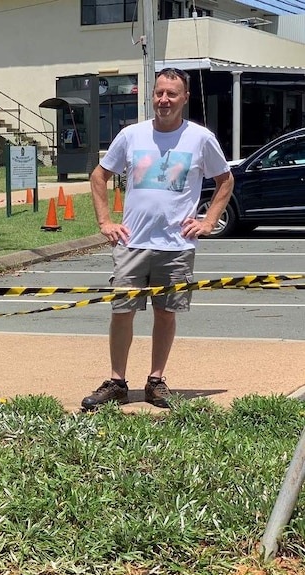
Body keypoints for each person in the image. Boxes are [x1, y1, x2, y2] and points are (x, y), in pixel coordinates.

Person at [80, 67, 234, 411]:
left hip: (176, 246)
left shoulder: (200, 138)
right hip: (133, 243)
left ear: (185, 98)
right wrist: (105, 221)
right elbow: (99, 176)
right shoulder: (131, 135)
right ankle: (117, 382)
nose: (164, 100)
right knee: (122, 311)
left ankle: (156, 381)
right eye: (159, 93)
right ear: (152, 95)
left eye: (172, 94)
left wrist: (208, 221)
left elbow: (225, 180)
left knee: (166, 314)